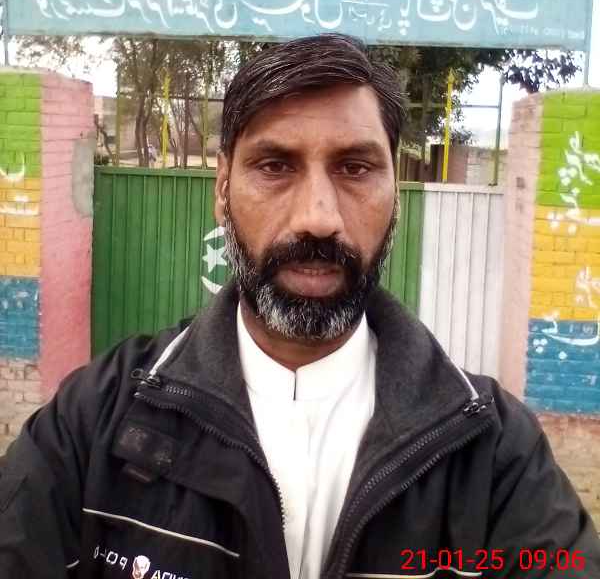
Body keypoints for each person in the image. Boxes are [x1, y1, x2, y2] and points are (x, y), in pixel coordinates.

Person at [1, 34, 599, 579]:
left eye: (356, 168)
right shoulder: (91, 425)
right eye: (275, 166)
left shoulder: (492, 453)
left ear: (396, 193)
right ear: (222, 189)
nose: (318, 217)